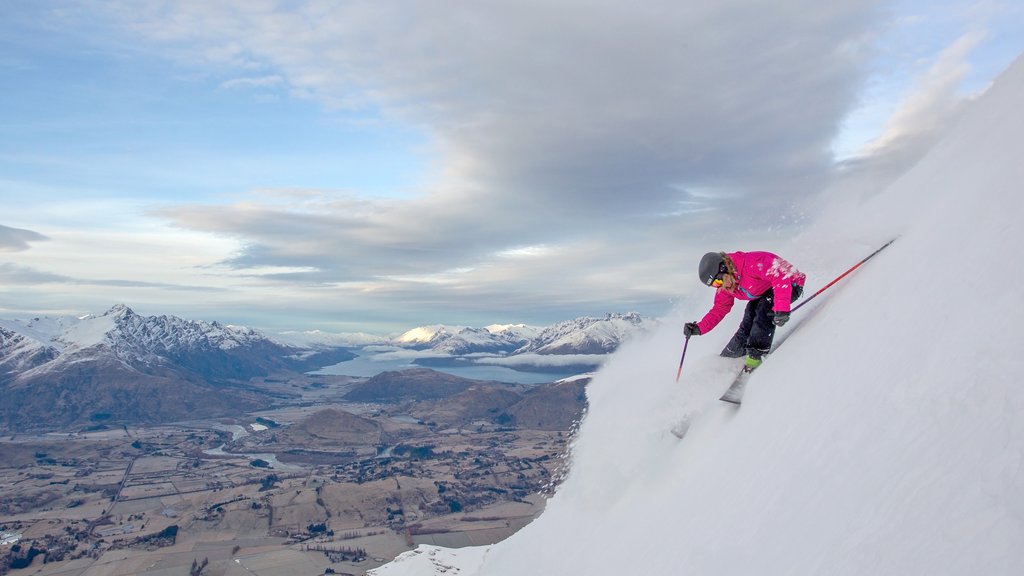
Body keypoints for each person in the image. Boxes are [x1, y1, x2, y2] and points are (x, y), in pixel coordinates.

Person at [683, 251, 806, 372]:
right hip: (766, 291)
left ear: (723, 268)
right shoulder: (726, 284)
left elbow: (781, 276)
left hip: (790, 283)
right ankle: (730, 356)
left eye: (717, 281)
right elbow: (720, 307)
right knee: (750, 314)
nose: (719, 286)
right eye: (715, 285)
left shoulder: (752, 263)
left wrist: (782, 308)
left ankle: (756, 355)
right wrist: (699, 328)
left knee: (764, 310)